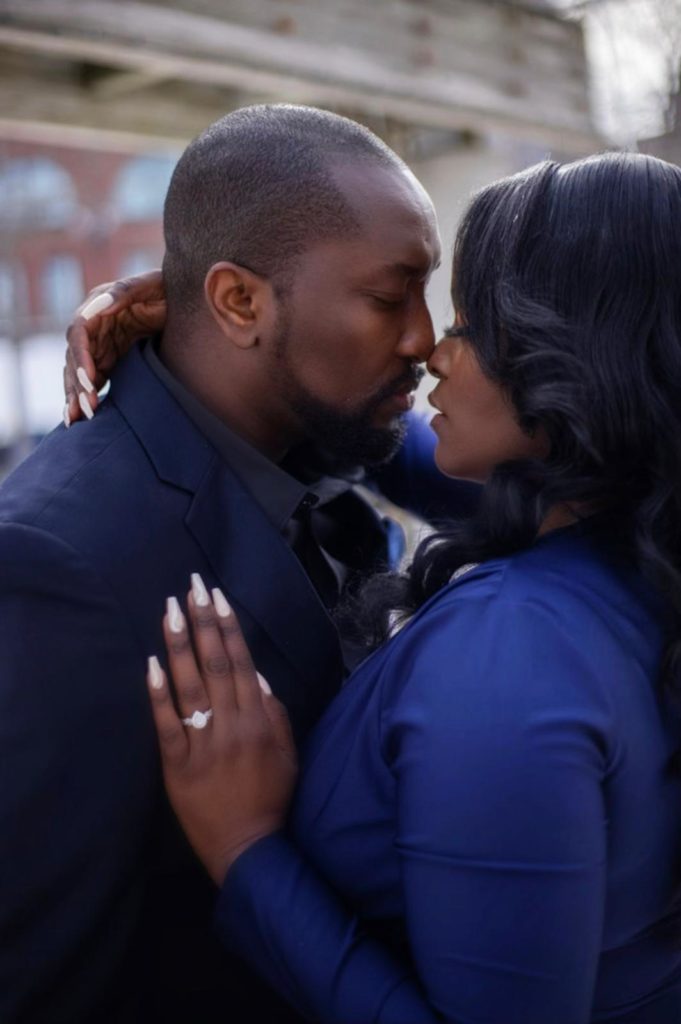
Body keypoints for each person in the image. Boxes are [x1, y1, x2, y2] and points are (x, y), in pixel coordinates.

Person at [139, 152, 681, 1023]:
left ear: (573, 369)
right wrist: (212, 325)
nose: (433, 350)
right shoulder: (638, 540)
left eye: (470, 324)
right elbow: (407, 453)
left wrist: (246, 848)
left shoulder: (507, 661)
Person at [0, 105, 476, 1024]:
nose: (423, 339)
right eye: (389, 298)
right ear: (239, 302)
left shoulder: (322, 432)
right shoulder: (56, 564)